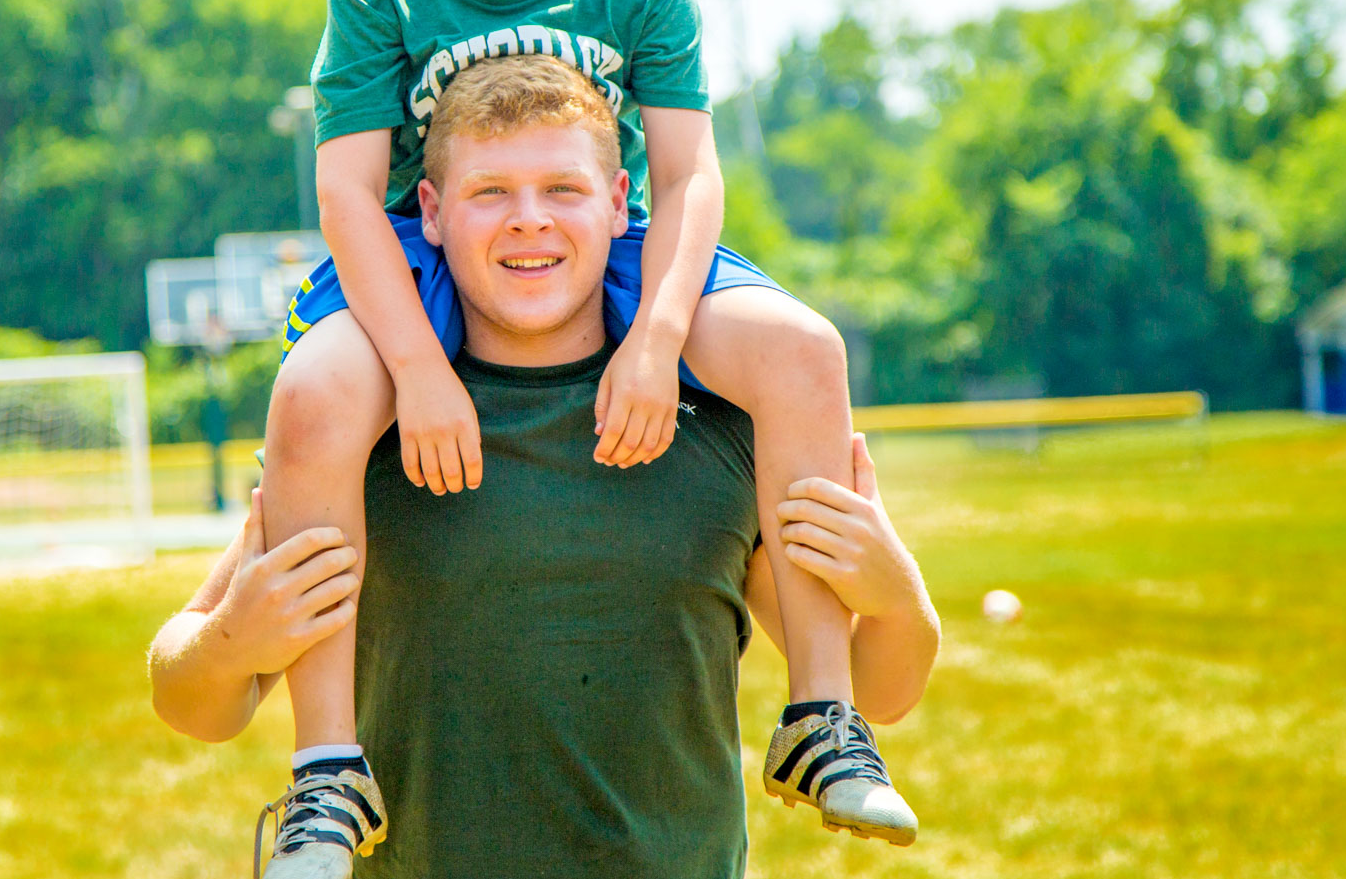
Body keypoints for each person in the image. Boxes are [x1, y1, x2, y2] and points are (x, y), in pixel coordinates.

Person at [255, 0, 894, 870]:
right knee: (315, 396)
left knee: (806, 351)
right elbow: (347, 189)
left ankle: (822, 712)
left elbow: (691, 173)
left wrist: (655, 338)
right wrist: (416, 370)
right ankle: (327, 770)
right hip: (427, 244)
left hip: (618, 238)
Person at [159, 57, 942, 877]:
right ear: (429, 212)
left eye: (563, 189)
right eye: (489, 191)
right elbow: (192, 701)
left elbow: (878, 691)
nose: (529, 220)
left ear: (617, 204)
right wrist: (229, 642)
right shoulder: (364, 428)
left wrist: (897, 596)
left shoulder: (720, 428)